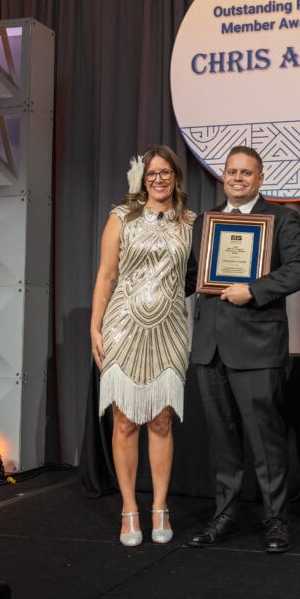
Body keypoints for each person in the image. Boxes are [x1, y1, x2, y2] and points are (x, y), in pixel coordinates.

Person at [186, 145, 300, 553]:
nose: (237, 178)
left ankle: (275, 519)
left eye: (246, 173)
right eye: (231, 172)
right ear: (223, 176)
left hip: (257, 347)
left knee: (266, 439)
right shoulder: (205, 221)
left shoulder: (281, 218)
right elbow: (193, 277)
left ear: (260, 179)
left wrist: (252, 290)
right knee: (222, 440)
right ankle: (224, 514)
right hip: (210, 348)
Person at [90, 145, 195, 547]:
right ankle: (130, 509)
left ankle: (160, 507)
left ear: (176, 177)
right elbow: (106, 275)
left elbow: (204, 273)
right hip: (122, 327)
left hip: (169, 329)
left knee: (162, 421)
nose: (159, 179)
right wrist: (95, 327)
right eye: (152, 173)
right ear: (143, 178)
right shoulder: (121, 217)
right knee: (124, 421)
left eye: (166, 172)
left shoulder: (190, 222)